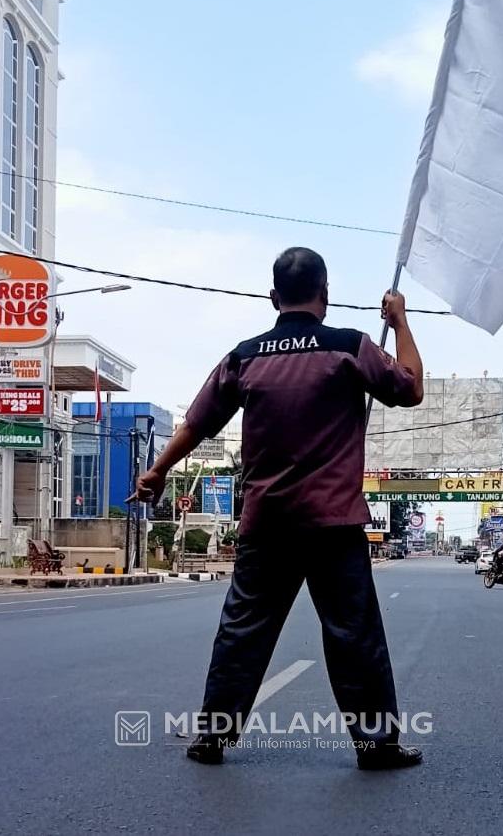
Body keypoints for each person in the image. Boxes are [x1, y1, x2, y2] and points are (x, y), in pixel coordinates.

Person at [133, 247, 425, 770]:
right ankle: (377, 746)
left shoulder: (245, 357)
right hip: (334, 526)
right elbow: (410, 387)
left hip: (266, 524)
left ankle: (212, 737)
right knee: (353, 636)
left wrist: (157, 470)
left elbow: (197, 424)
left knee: (242, 633)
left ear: (273, 297)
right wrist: (398, 320)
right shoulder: (349, 347)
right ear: (326, 295)